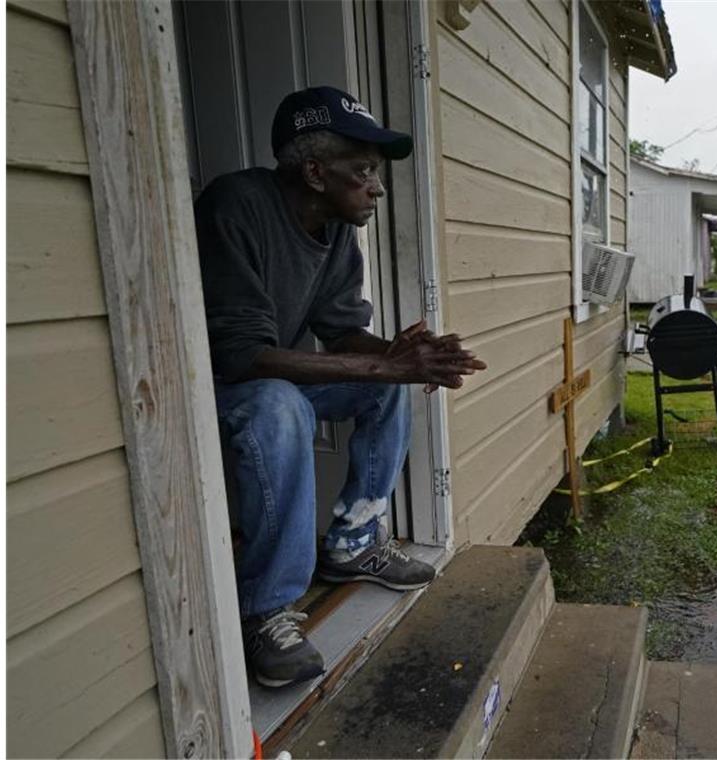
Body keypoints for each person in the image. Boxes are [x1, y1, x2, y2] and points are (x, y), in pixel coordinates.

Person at [194, 86, 486, 688]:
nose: (376, 187)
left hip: (268, 376)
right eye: (363, 172)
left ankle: (353, 540)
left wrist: (407, 359)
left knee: (383, 388)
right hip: (210, 387)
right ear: (314, 171)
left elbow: (343, 331)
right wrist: (387, 365)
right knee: (280, 405)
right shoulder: (236, 205)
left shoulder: (335, 233)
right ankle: (266, 609)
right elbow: (242, 357)